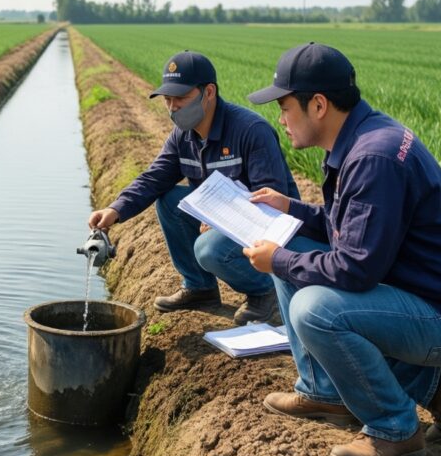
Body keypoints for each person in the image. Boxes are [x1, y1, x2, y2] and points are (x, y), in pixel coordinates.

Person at [243, 42, 441, 456]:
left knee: (314, 309)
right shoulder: (359, 137)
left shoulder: (374, 157)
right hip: (417, 292)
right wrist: (291, 209)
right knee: (291, 243)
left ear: (318, 105)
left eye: (285, 107)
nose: (280, 119)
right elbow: (350, 224)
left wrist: (278, 261)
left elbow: (355, 268)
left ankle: (395, 427)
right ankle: (333, 390)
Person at [88, 51, 300, 324]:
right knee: (168, 201)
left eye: (181, 98)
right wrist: (115, 210)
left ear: (208, 92)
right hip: (223, 219)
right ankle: (199, 288)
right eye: (168, 99)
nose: (173, 106)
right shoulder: (182, 137)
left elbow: (271, 199)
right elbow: (154, 178)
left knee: (208, 248)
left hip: (269, 228)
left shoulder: (250, 130)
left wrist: (224, 218)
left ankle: (266, 292)